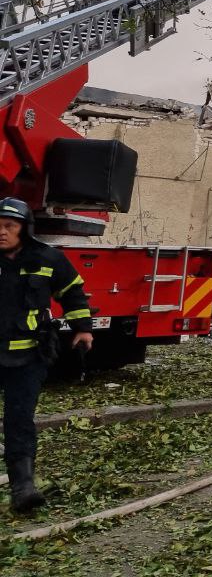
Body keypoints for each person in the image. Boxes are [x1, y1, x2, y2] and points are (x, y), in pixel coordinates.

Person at [0, 198, 93, 513]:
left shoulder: (48, 258)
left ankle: (23, 488)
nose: (2, 232)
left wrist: (83, 328)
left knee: (19, 420)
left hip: (27, 358)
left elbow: (72, 292)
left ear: (25, 229)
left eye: (9, 226)